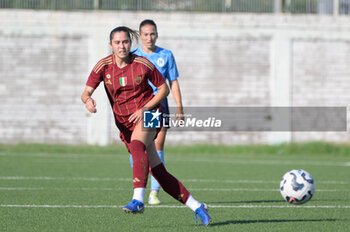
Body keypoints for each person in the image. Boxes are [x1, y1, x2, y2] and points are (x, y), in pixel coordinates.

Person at [81, 26, 211, 226]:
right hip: (125, 123)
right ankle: (197, 206)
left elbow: (163, 89)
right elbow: (85, 92)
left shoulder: (142, 63)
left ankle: (138, 200)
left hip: (151, 113)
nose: (122, 46)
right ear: (111, 45)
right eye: (117, 42)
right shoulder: (103, 67)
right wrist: (88, 100)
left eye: (125, 42)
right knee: (158, 171)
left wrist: (144, 108)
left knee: (136, 146)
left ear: (130, 43)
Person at [130, 19, 184, 205]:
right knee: (137, 148)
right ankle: (139, 188)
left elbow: (173, 82)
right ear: (140, 36)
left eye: (152, 34)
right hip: (139, 106)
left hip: (158, 106)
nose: (149, 38)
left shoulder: (166, 55)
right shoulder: (133, 56)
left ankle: (154, 191)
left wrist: (180, 108)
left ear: (157, 34)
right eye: (145, 34)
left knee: (157, 146)